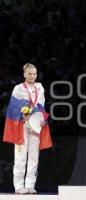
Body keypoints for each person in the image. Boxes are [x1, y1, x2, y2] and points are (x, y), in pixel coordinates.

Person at [3, 63, 52, 194]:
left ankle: (30, 185)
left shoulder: (40, 87)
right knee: (20, 156)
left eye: (34, 73)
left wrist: (41, 119)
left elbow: (41, 105)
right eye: (29, 73)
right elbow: (13, 106)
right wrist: (23, 112)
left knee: (34, 156)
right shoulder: (18, 88)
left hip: (35, 125)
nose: (32, 76)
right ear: (24, 74)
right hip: (22, 125)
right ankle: (19, 186)